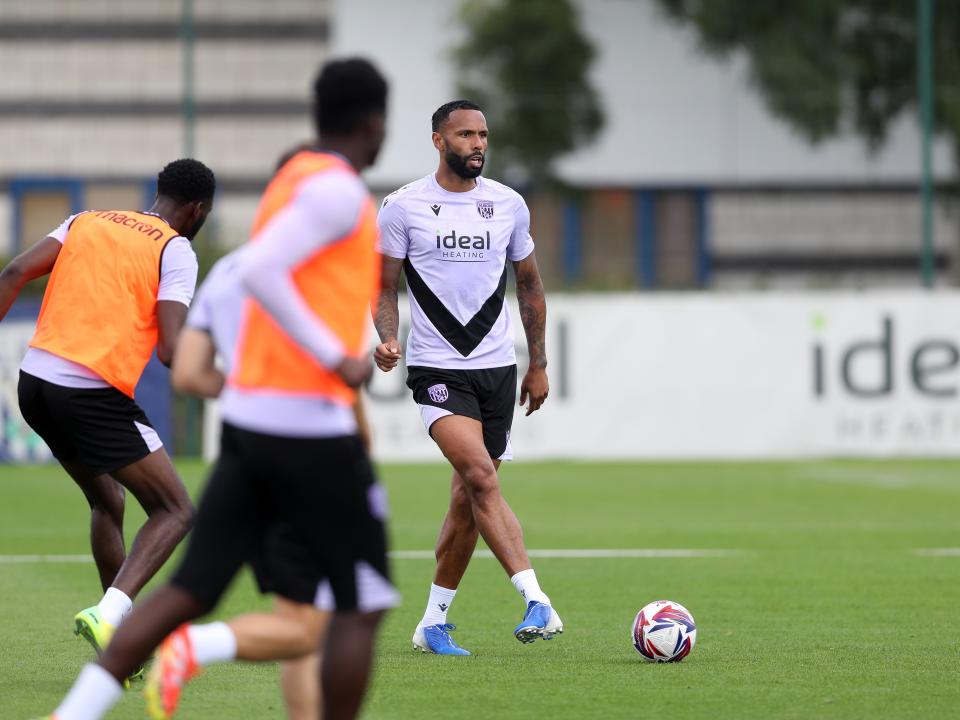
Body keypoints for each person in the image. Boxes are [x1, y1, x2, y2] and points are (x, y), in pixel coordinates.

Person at [43, 57, 396, 720]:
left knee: (193, 588)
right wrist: (335, 358)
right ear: (376, 123)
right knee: (362, 603)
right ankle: (197, 648)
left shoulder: (288, 188)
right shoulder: (340, 194)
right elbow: (267, 271)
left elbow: (199, 363)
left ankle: (76, 711)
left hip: (248, 426)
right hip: (311, 430)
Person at [0, 159, 215, 672]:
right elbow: (169, 349)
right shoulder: (174, 249)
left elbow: (13, 273)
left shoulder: (86, 220)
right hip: (88, 391)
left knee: (108, 500)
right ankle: (113, 614)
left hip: (34, 384)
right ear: (197, 210)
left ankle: (123, 642)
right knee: (176, 509)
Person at [374, 99, 561, 656]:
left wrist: (539, 363)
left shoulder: (508, 204)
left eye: (483, 135)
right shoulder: (403, 207)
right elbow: (383, 285)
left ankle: (433, 624)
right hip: (436, 368)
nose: (478, 144)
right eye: (465, 135)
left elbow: (529, 285)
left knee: (466, 501)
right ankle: (536, 599)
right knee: (481, 475)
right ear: (438, 141)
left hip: (497, 371)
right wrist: (387, 336)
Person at [164, 237, 377, 720]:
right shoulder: (315, 279)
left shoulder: (231, 272)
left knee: (297, 619)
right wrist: (362, 445)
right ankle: (194, 645)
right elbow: (338, 378)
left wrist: (247, 395)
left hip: (246, 455)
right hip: (310, 459)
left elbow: (190, 375)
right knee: (316, 625)